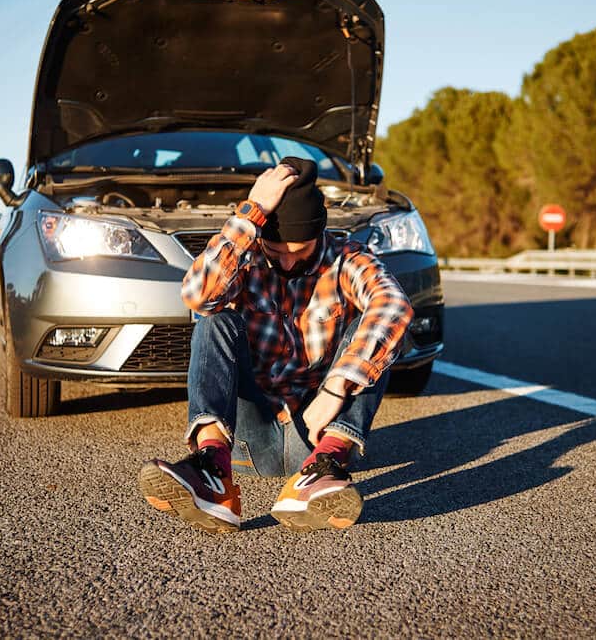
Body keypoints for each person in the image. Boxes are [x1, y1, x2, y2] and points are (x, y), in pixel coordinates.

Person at [138, 156, 413, 533]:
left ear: (321, 233)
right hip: (248, 443)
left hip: (319, 431)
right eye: (276, 250)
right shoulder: (247, 253)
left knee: (376, 333)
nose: (286, 262)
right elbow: (196, 295)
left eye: (299, 250)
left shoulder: (346, 256)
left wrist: (336, 387)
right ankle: (213, 476)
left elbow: (394, 305)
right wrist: (251, 214)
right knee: (214, 320)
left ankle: (321, 472)